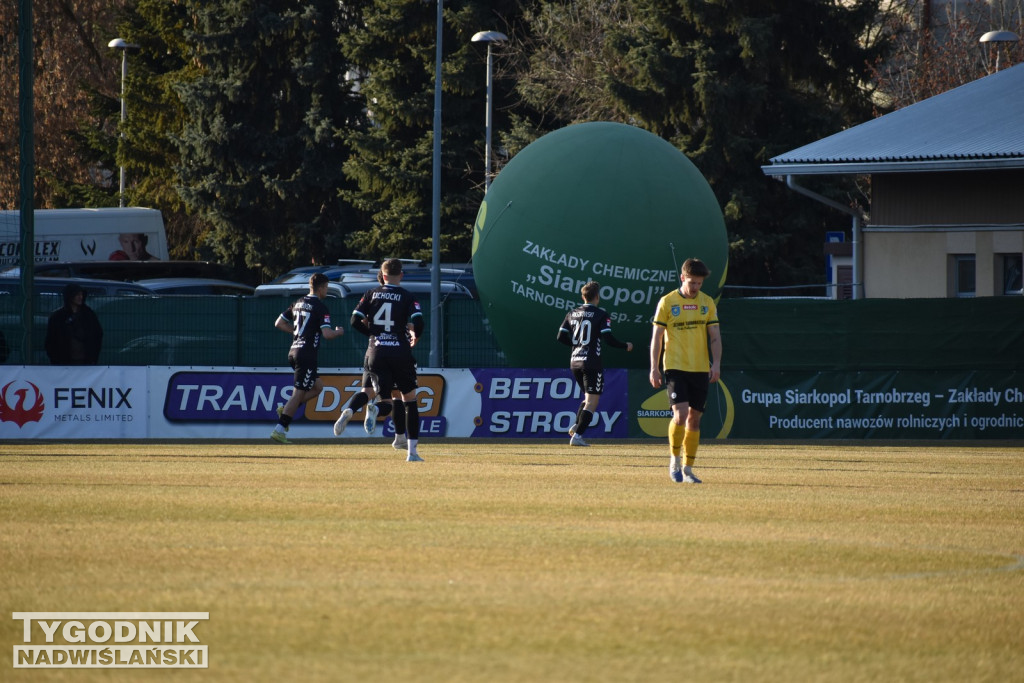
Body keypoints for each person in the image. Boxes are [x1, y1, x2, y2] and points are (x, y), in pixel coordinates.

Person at [333, 258, 425, 461]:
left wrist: (373, 333)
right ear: (401, 275)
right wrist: (415, 334)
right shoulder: (407, 296)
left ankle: (366, 412)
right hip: (400, 353)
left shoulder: (371, 294)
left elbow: (354, 320)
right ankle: (412, 453)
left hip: (376, 353)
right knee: (409, 400)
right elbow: (418, 322)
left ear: (383, 276)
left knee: (378, 395)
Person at [649, 258, 722, 483]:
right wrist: (654, 367)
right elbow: (657, 337)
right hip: (674, 367)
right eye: (692, 283)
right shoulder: (667, 301)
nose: (695, 288)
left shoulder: (707, 302)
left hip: (700, 369)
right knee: (679, 416)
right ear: (682, 278)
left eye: (699, 284)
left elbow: (715, 337)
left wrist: (716, 363)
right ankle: (674, 461)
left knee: (695, 419)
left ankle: (689, 469)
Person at [270, 272, 345, 444]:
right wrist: (339, 332)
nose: (326, 291)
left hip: (294, 351)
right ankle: (279, 429)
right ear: (321, 288)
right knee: (298, 394)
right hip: (306, 354)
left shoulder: (298, 303)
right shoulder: (320, 307)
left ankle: (286, 409)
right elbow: (327, 334)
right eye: (326, 288)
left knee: (318, 387)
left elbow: (279, 323)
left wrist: (297, 334)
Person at [556, 281, 633, 447]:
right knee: (593, 401)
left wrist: (576, 346)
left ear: (583, 296)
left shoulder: (572, 313)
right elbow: (609, 339)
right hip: (591, 362)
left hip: (575, 362)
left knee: (587, 398)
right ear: (597, 296)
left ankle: (577, 425)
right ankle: (577, 435)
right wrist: (625, 345)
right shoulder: (600, 314)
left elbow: (560, 337)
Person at [44, 283, 104, 364]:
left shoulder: (89, 314)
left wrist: (93, 357)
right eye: (77, 295)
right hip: (63, 362)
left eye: (81, 294)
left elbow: (98, 334)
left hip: (86, 362)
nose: (80, 297)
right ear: (70, 296)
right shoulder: (58, 317)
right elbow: (51, 340)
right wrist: (56, 359)